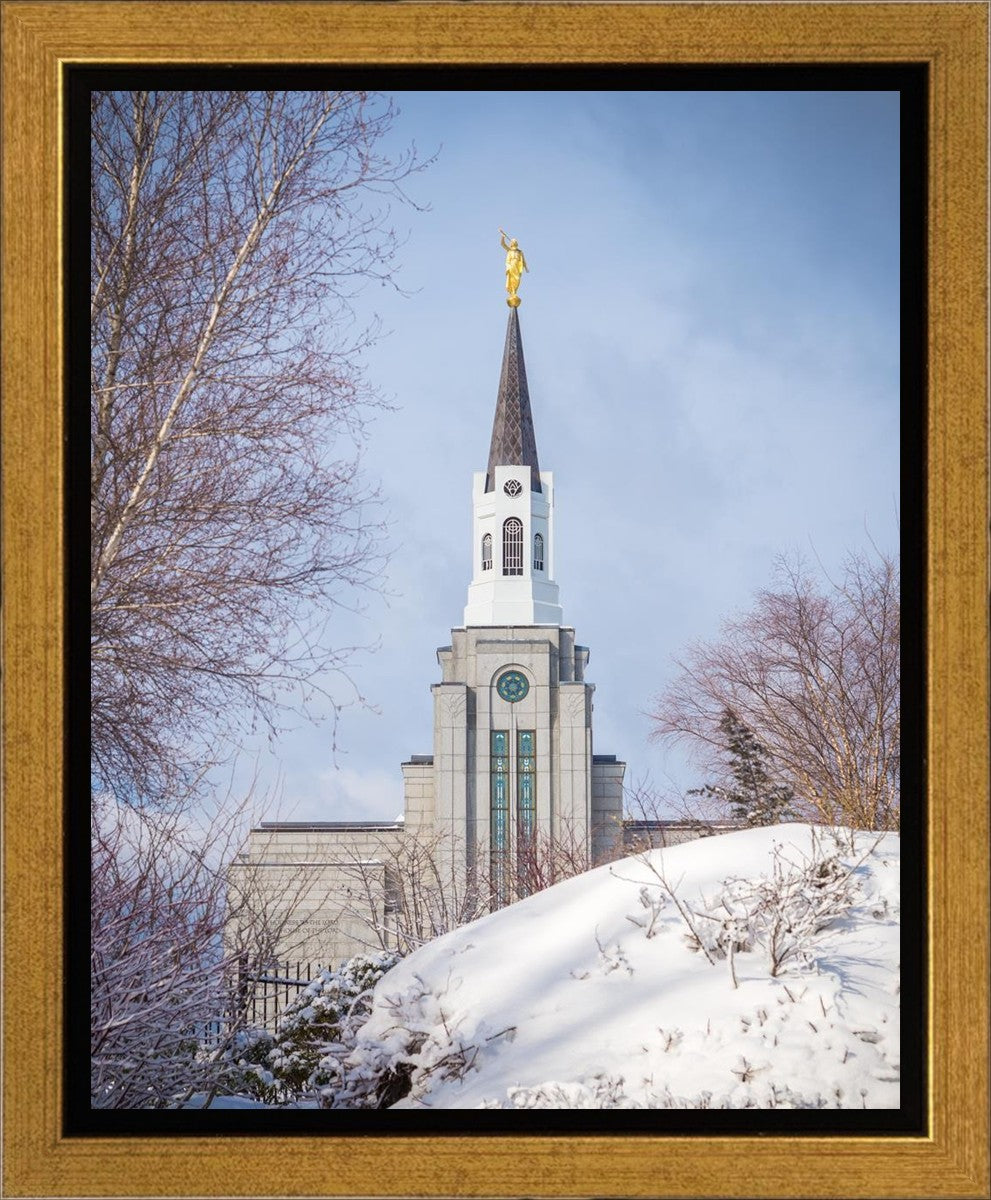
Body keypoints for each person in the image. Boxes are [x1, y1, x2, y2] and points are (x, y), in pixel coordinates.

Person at [499, 229, 528, 300]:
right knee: (511, 278)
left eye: (515, 241)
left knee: (517, 279)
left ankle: (515, 291)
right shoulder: (509, 250)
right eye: (512, 241)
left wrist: (526, 267)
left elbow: (523, 260)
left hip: (517, 267)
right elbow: (503, 244)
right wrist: (503, 237)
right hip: (511, 265)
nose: (514, 242)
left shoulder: (520, 252)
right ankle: (512, 291)